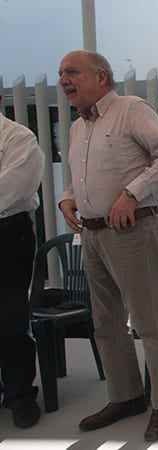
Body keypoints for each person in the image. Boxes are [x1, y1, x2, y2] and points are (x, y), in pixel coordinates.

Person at [58, 50, 158, 442]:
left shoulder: (132, 110)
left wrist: (132, 193)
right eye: (61, 74)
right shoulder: (77, 127)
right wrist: (66, 198)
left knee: (148, 323)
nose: (63, 80)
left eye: (72, 72)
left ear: (101, 77)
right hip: (92, 235)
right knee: (106, 322)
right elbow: (77, 177)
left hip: (133, 232)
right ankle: (126, 397)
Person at [0, 94, 44, 429]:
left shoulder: (17, 137)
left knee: (11, 315)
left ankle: (20, 395)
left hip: (8, 232)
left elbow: (12, 188)